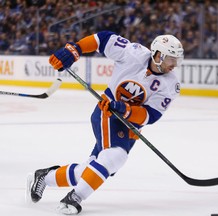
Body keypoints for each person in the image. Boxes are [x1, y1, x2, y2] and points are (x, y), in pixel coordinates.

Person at [27, 31, 184, 214]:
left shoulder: (171, 85)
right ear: (158, 55)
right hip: (106, 112)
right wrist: (76, 49)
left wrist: (126, 110)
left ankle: (45, 177)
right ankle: (74, 199)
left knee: (93, 170)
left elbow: (151, 115)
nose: (173, 65)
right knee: (116, 157)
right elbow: (103, 39)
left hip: (130, 126)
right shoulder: (133, 53)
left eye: (177, 60)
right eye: (170, 59)